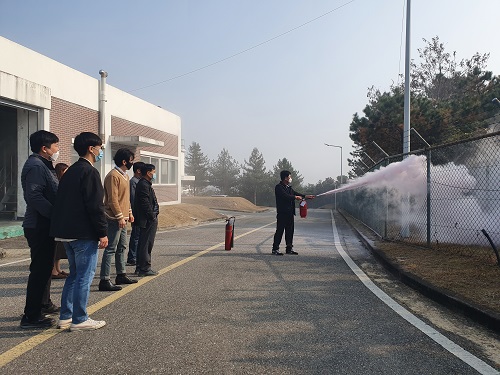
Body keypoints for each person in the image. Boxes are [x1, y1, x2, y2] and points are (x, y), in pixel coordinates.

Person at [50, 132, 108, 331]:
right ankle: (80, 318)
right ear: (91, 149)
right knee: (85, 275)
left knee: (74, 275)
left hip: (66, 232)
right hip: (83, 233)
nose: (101, 151)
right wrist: (102, 232)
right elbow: (95, 205)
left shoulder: (71, 171)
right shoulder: (90, 172)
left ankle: (66, 316)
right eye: (100, 148)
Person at [20, 130, 60, 329]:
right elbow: (34, 197)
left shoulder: (44, 164)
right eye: (55, 146)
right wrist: (55, 214)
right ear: (44, 148)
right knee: (39, 270)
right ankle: (31, 315)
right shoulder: (36, 166)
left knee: (45, 269)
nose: (57, 149)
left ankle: (43, 304)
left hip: (45, 224)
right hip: (38, 224)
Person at [98, 148, 137, 291]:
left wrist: (130, 212)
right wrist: (120, 216)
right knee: (110, 249)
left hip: (123, 217)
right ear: (124, 161)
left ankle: (121, 274)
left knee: (122, 247)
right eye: (131, 160)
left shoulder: (125, 176)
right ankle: (104, 280)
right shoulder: (113, 176)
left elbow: (125, 198)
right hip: (113, 218)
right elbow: (113, 200)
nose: (132, 163)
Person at [271, 170, 315, 256]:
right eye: (289, 177)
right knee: (280, 231)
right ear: (285, 178)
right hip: (282, 213)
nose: (290, 178)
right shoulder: (279, 187)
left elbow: (296, 193)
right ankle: (275, 249)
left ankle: (289, 248)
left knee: (290, 231)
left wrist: (306, 196)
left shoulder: (289, 188)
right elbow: (285, 196)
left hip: (290, 213)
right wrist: (295, 197)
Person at [134, 163, 159, 277]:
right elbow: (145, 203)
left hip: (148, 218)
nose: (154, 174)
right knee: (146, 243)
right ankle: (144, 267)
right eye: (153, 172)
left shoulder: (146, 184)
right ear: (148, 173)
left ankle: (140, 266)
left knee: (144, 243)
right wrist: (152, 216)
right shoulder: (143, 185)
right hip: (147, 219)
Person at [51, 163, 69, 280]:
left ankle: (57, 268)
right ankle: (53, 270)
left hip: (61, 219)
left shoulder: (62, 183)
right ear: (61, 171)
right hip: (56, 220)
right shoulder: (57, 184)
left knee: (59, 247)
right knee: (55, 247)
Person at [126, 161, 145, 266]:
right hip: (136, 213)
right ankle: (132, 257)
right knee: (136, 236)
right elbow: (133, 199)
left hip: (140, 213)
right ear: (138, 171)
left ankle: (136, 256)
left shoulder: (139, 181)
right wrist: (133, 212)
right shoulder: (134, 182)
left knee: (139, 235)